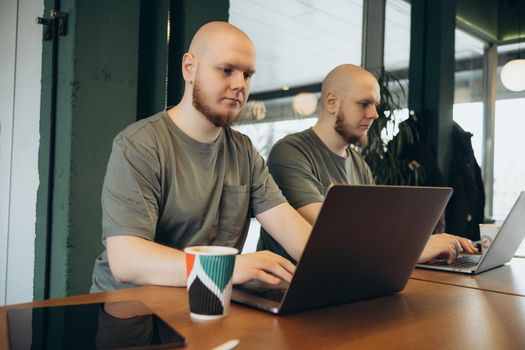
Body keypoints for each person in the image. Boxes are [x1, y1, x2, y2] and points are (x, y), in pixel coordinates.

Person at [90, 21, 311, 293]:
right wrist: (231, 267)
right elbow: (127, 261)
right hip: (133, 311)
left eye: (247, 75)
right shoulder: (139, 145)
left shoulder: (243, 152)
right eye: (226, 70)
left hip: (208, 300)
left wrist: (345, 268)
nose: (240, 85)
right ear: (189, 68)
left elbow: (295, 233)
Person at [258, 64, 478, 264]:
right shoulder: (290, 152)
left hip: (350, 273)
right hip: (291, 284)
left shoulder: (358, 163)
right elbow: (328, 228)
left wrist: (426, 242)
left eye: (375, 105)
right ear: (332, 101)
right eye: (364, 103)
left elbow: (371, 229)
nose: (373, 114)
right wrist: (411, 248)